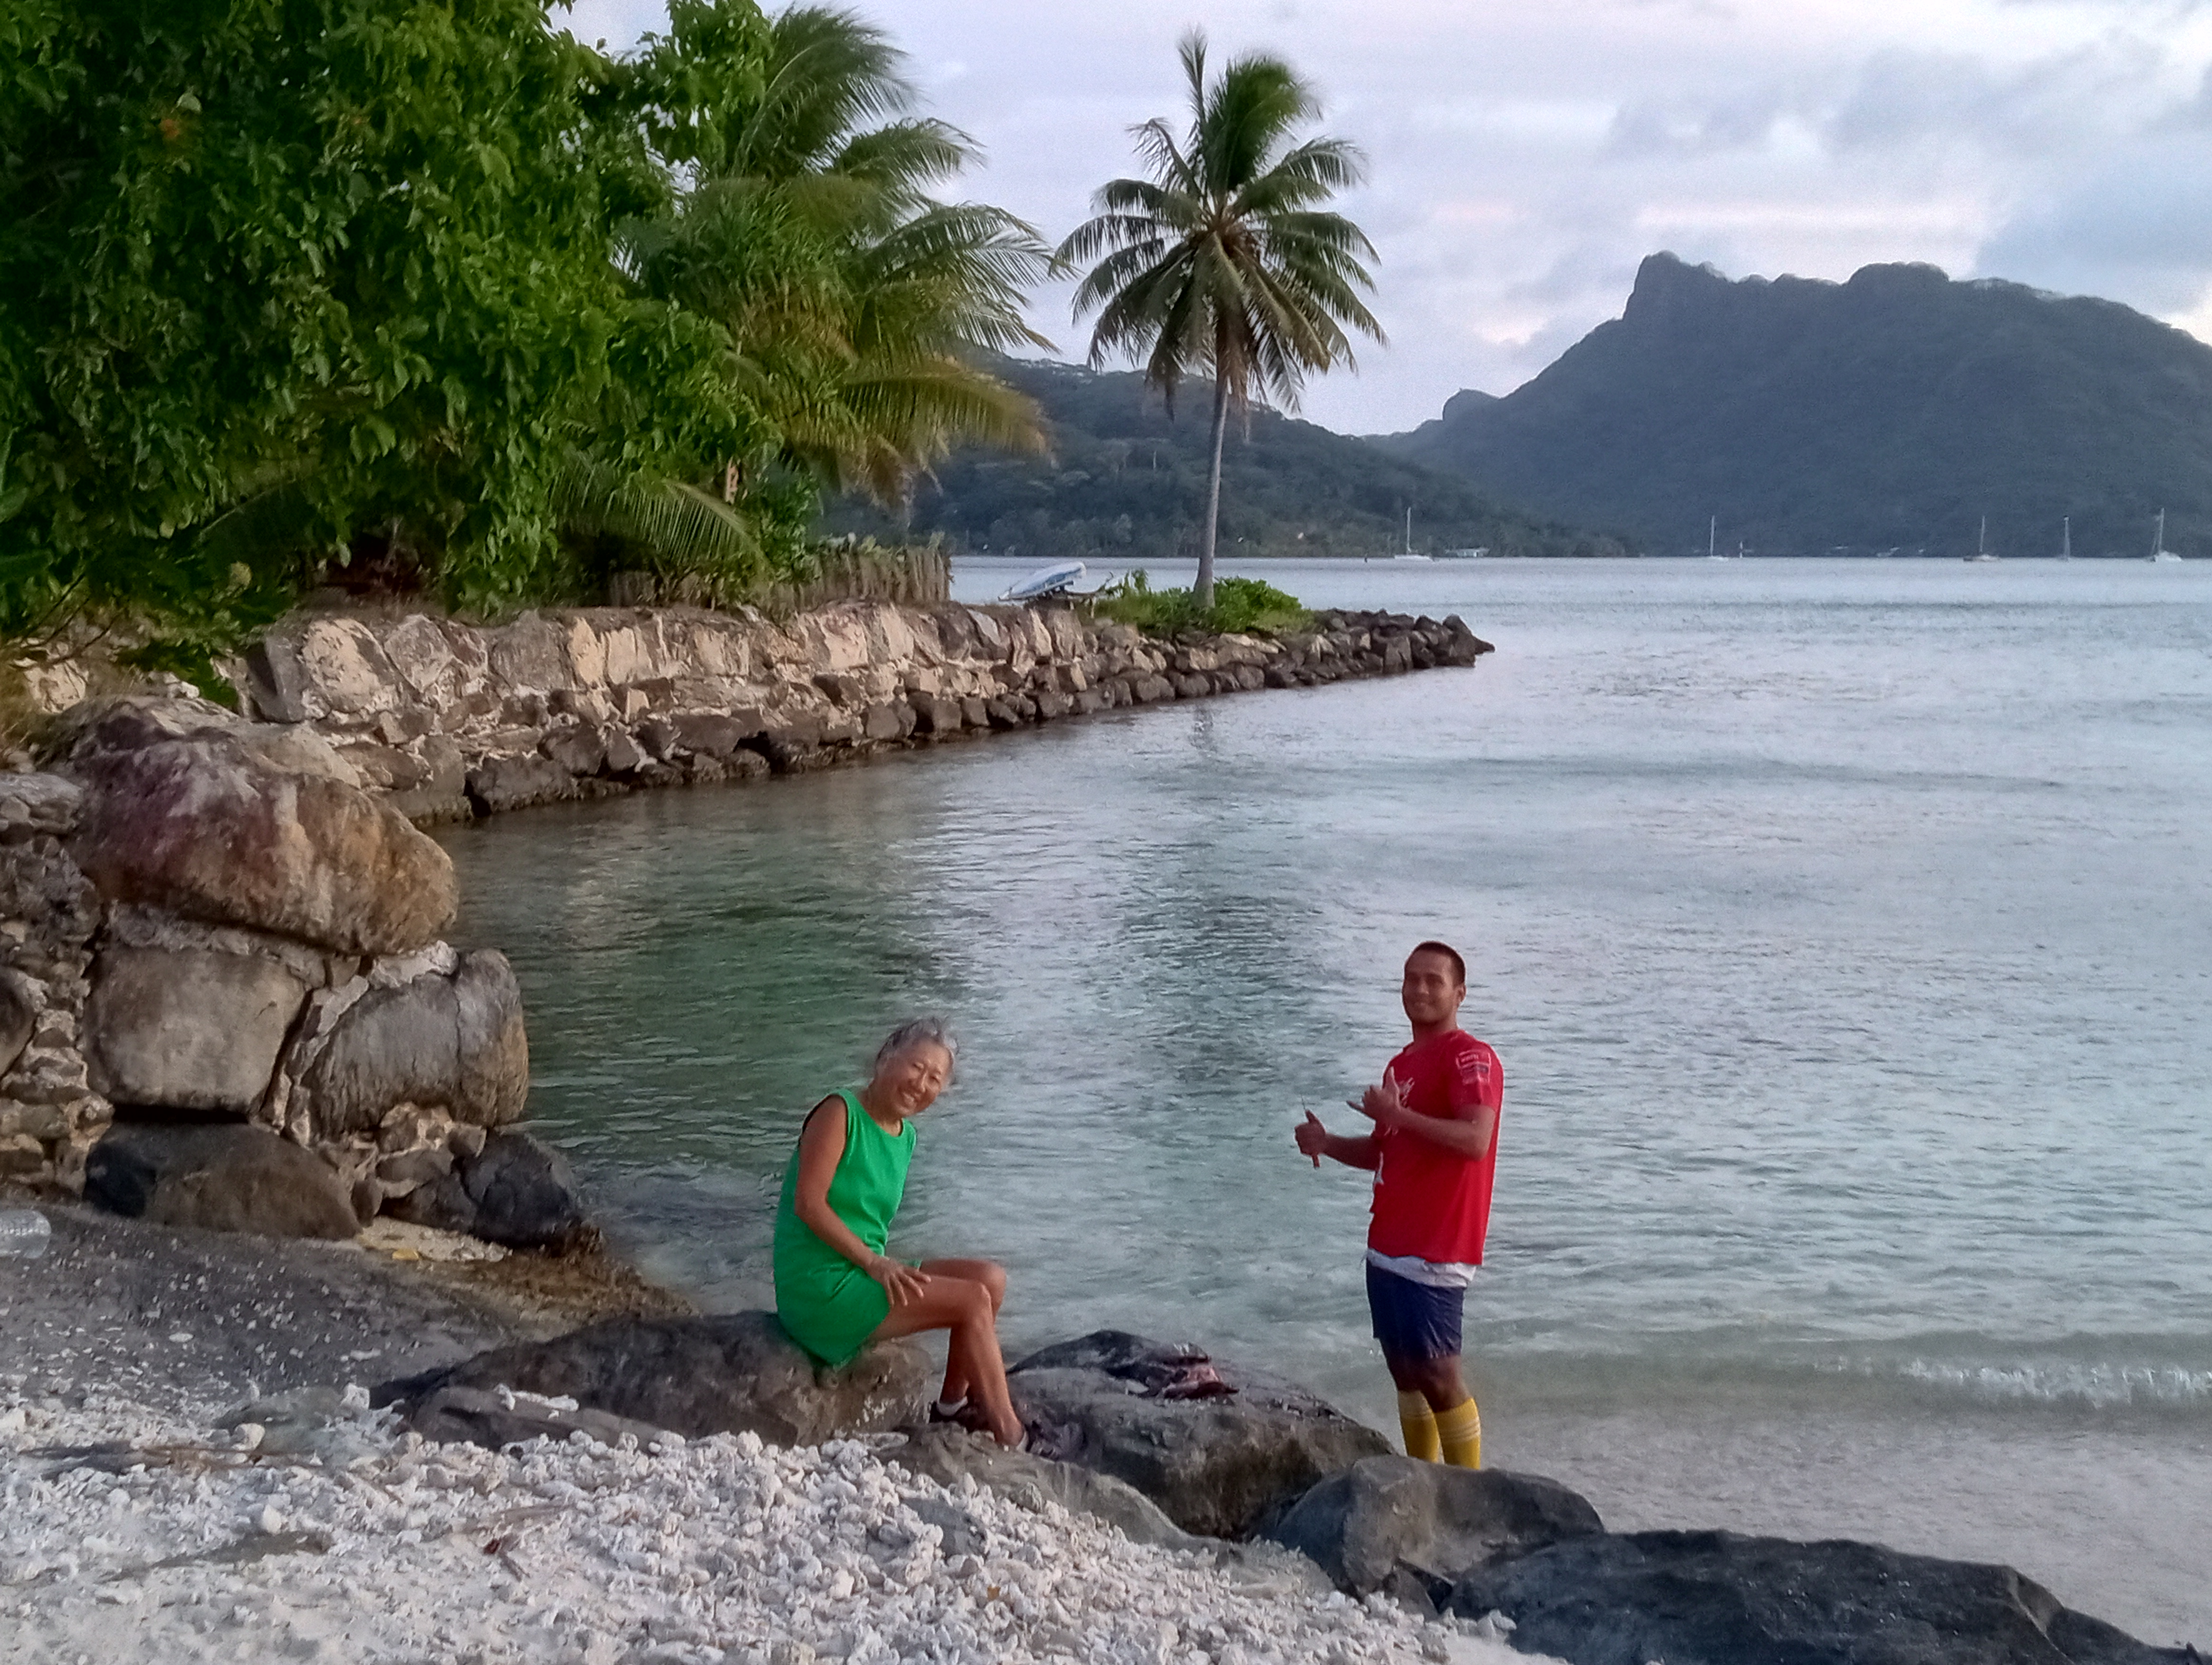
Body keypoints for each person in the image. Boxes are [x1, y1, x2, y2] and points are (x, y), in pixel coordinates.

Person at [1295, 941, 1503, 1469]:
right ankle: (1422, 1477)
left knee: (1438, 1373)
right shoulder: (1403, 1063)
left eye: (1434, 980)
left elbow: (1475, 1140)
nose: (1419, 990)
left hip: (1436, 1245)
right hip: (1388, 1243)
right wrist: (1328, 1144)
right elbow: (1387, 1151)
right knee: (1405, 1372)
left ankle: (1469, 1489)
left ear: (1460, 992)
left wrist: (1400, 1115)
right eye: (1411, 979)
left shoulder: (1470, 1056)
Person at [772, 1018, 1024, 1447]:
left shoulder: (904, 1136)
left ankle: (950, 1410)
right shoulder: (840, 1112)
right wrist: (876, 1263)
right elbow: (808, 1205)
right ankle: (1014, 1438)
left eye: (935, 1079)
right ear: (885, 1057)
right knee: (970, 1300)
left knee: (989, 1280)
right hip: (821, 1286)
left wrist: (876, 1264)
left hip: (863, 1269)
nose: (921, 1084)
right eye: (915, 1067)